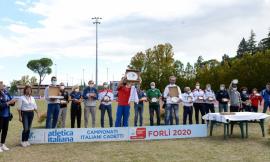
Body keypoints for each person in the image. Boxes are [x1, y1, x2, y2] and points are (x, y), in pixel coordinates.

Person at [0, 81, 16, 152]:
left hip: (7, 115)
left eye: (2, 84)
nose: (3, 86)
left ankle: (2, 144)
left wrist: (13, 101)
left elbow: (11, 103)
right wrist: (9, 102)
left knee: (5, 130)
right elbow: (0, 106)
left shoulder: (6, 93)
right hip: (0, 116)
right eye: (1, 85)